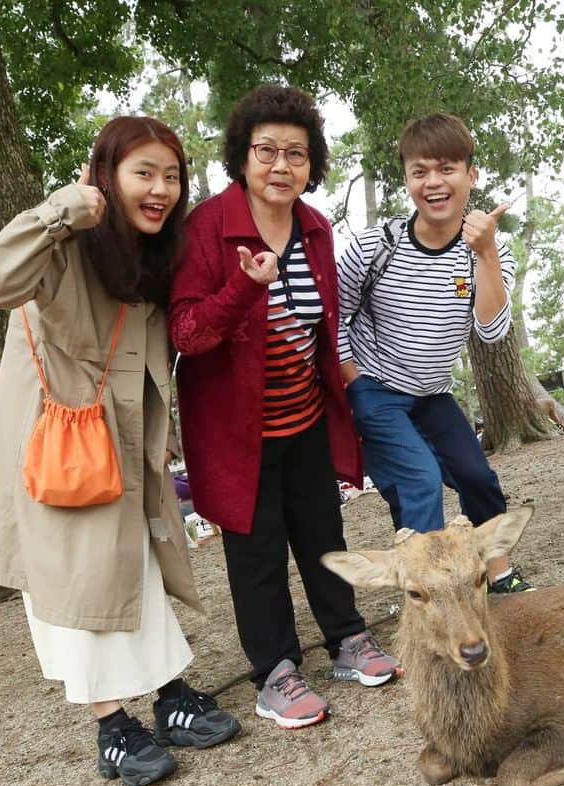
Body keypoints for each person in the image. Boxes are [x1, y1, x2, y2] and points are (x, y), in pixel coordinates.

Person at [0, 115, 240, 786]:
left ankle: (169, 693)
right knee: (77, 576)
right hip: (59, 441)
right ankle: (112, 724)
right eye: (142, 173)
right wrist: (62, 209)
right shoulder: (65, 239)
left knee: (137, 563)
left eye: (172, 175)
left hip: (123, 437)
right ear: (104, 177)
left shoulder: (150, 256)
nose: (161, 189)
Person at [170, 85, 400, 730]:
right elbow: (187, 332)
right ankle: (275, 670)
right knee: (257, 553)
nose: (280, 165)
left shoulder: (315, 227)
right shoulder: (208, 228)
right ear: (241, 158)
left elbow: (324, 325)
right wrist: (244, 286)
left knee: (324, 533)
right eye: (265, 150)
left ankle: (347, 638)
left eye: (296, 154)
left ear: (312, 164)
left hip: (305, 416)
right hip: (236, 433)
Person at [335, 113, 531, 594]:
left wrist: (484, 253)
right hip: (376, 388)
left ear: (471, 175)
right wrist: (353, 379)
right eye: (419, 171)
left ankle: (497, 570)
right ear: (406, 179)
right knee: (420, 480)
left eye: (446, 168)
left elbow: (491, 331)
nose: (433, 182)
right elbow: (333, 314)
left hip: (432, 391)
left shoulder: (487, 251)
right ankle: (427, 592)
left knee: (476, 475)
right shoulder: (375, 245)